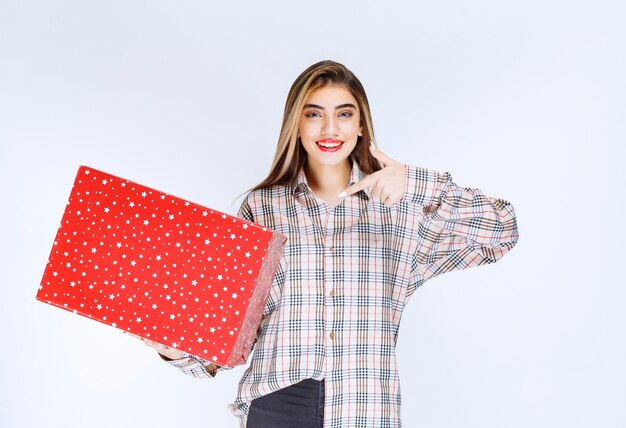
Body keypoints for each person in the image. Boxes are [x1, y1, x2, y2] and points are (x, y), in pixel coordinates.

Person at [140, 60, 519, 428]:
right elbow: (237, 331)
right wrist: (173, 350)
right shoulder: (262, 208)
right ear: (297, 126)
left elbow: (502, 231)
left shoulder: (402, 210)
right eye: (314, 114)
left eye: (344, 114)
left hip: (364, 407)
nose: (329, 127)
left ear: (360, 126)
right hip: (277, 404)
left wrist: (418, 186)